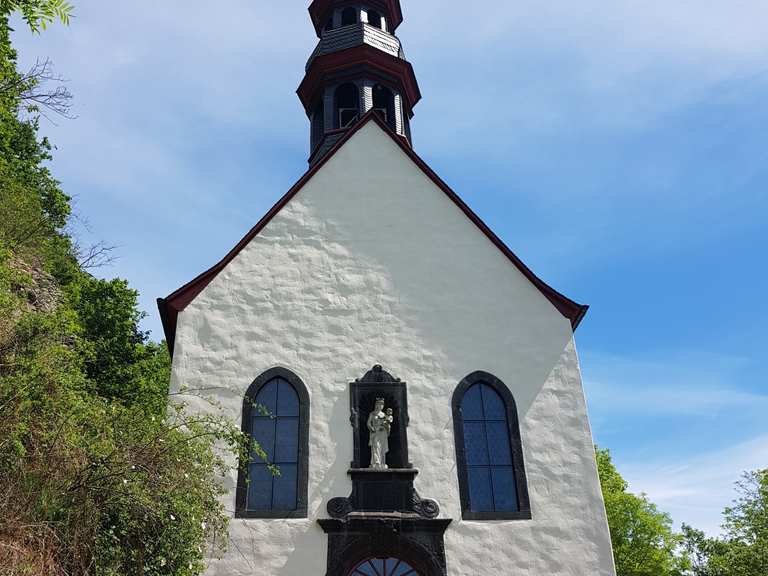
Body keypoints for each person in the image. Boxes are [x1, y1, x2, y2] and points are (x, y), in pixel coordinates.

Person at [367, 398, 393, 469]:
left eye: (382, 404)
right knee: (376, 446)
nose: (381, 405)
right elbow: (368, 423)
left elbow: (387, 424)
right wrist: (371, 428)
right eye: (379, 404)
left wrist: (386, 426)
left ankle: (382, 462)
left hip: (383, 433)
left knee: (382, 447)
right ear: (376, 405)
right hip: (375, 432)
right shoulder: (372, 414)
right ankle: (376, 462)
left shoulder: (384, 415)